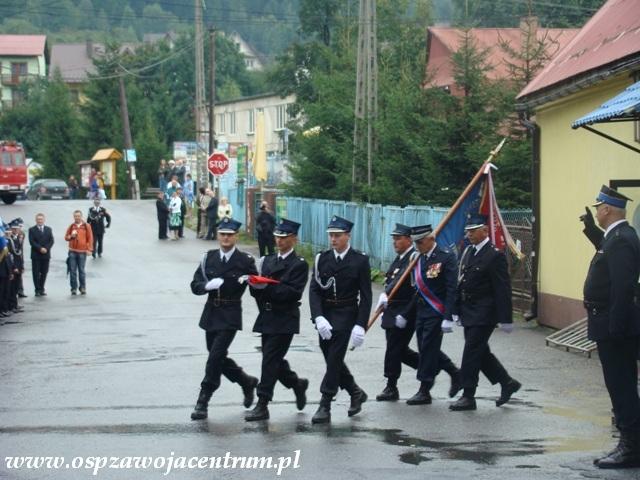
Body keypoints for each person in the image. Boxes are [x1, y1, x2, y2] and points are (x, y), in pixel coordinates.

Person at [582, 185, 640, 469]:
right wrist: (592, 231)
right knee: (621, 384)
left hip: (614, 325)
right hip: (607, 321)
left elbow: (622, 286)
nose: (596, 212)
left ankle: (630, 448)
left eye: (597, 208)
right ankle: (632, 442)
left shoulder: (622, 239)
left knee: (621, 386)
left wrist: (616, 327)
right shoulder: (615, 237)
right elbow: (607, 256)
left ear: (606, 209)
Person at [449, 214, 521, 412]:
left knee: (471, 352)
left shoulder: (494, 255)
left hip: (484, 313)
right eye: (468, 231)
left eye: (473, 231)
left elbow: (502, 289)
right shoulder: (468, 252)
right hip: (468, 311)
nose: (469, 234)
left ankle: (468, 395)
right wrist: (455, 309)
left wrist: (506, 318)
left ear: (485, 231)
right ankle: (507, 382)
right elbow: (461, 282)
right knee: (481, 353)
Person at [189, 218, 259, 420]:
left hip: (230, 312)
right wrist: (205, 287)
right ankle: (246, 381)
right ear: (218, 235)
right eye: (222, 234)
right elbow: (194, 284)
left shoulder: (245, 260)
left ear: (236, 236)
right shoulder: (208, 258)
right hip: (212, 311)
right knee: (216, 355)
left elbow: (257, 285)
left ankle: (203, 400)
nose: (226, 237)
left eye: (230, 234)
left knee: (214, 357)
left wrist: (254, 283)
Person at [309, 215, 372, 424]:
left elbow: (366, 295)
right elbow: (315, 290)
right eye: (331, 236)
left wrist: (360, 325)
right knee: (331, 358)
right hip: (326, 314)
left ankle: (325, 404)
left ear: (348, 236)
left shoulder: (359, 260)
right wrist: (318, 316)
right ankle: (355, 392)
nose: (333, 240)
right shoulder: (322, 258)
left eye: (337, 236)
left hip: (346, 313)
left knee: (335, 357)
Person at [245, 219, 310, 421]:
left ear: (294, 239)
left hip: (285, 318)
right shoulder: (267, 261)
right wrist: (255, 287)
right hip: (267, 315)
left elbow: (292, 293)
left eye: (284, 237)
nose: (279, 241)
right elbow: (256, 291)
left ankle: (263, 403)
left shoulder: (299, 264)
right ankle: (296, 383)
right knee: (271, 358)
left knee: (270, 359)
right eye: (277, 237)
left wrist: (268, 287)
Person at [406, 225, 461, 405]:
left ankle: (425, 389)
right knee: (425, 347)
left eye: (420, 242)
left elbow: (452, 288)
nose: (417, 246)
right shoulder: (418, 258)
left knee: (428, 348)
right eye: (415, 242)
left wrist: (448, 316)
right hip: (421, 310)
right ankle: (454, 373)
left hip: (437, 311)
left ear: (431, 239)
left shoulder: (446, 257)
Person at [374, 223, 419, 401]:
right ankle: (433, 365)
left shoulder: (413, 259)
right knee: (399, 351)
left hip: (405, 309)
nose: (395, 242)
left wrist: (405, 312)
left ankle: (391, 386)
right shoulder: (400, 258)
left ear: (409, 240)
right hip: (392, 309)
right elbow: (391, 280)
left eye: (398, 239)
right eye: (394, 239)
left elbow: (415, 288)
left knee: (394, 349)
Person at [64, 210, 93, 295]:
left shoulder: (86, 226)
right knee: (72, 270)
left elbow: (90, 238)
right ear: (74, 217)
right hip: (72, 251)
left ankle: (82, 287)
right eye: (75, 216)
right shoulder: (71, 226)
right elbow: (66, 237)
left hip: (82, 252)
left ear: (81, 216)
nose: (77, 217)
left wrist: (89, 249)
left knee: (81, 270)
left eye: (78, 216)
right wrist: (70, 236)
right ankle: (73, 288)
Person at [28, 213, 54, 297]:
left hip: (46, 254)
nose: (40, 221)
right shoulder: (32, 229)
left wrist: (46, 248)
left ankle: (42, 288)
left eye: (41, 219)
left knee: (44, 272)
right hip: (36, 255)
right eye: (38, 219)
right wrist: (40, 248)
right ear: (36, 220)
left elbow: (51, 240)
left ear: (44, 220)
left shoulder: (48, 229)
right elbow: (32, 242)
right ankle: (37, 289)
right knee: (35, 273)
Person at [7, 219, 25, 313]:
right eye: (14, 229)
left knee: (16, 287)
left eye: (17, 229)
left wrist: (21, 267)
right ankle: (11, 306)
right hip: (14, 267)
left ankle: (14, 305)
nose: (16, 230)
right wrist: (14, 268)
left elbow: (19, 255)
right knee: (11, 288)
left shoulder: (18, 238)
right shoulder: (9, 240)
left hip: (19, 266)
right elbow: (10, 256)